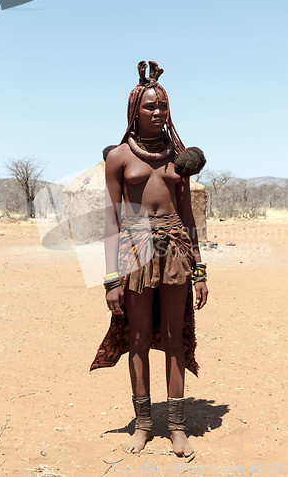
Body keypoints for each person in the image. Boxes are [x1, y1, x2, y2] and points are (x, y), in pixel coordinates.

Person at [90, 61, 208, 459]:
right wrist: (110, 278)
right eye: (150, 107)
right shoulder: (120, 158)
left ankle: (175, 427)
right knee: (138, 339)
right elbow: (111, 218)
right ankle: (143, 425)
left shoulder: (180, 158)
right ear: (134, 111)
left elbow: (187, 215)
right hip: (136, 250)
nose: (158, 113)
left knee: (174, 338)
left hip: (174, 249)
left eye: (163, 107)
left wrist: (200, 268)